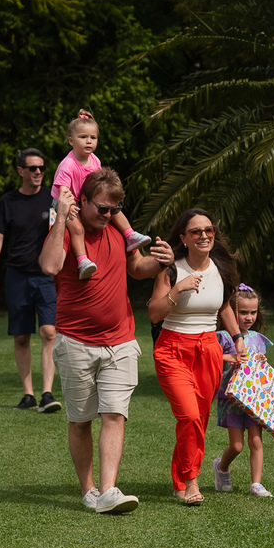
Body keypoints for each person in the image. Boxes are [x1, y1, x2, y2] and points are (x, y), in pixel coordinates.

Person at [38, 167, 173, 514]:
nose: (108, 215)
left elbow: (137, 268)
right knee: (80, 420)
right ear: (82, 201)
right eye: (101, 208)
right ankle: (89, 490)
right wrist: (60, 219)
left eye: (114, 209)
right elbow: (50, 266)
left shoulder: (116, 229)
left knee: (115, 414)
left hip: (121, 340)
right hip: (76, 341)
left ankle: (109, 490)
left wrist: (161, 264)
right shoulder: (68, 230)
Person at [146, 208, 243, 506]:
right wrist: (178, 289)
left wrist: (237, 338)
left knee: (197, 420)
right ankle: (191, 482)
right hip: (173, 348)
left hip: (209, 349)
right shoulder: (171, 270)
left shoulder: (221, 269)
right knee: (188, 415)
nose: (204, 235)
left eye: (208, 230)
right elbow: (154, 313)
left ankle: (180, 480)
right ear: (184, 238)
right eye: (196, 231)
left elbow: (224, 306)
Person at [0, 149, 61, 412]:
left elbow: (61, 231)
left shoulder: (52, 199)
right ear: (21, 171)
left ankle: (47, 393)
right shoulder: (9, 201)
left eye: (41, 168)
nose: (38, 172)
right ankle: (28, 395)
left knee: (49, 332)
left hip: (46, 277)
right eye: (32, 168)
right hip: (17, 275)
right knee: (20, 337)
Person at [50, 109, 150, 280]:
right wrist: (69, 207)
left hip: (86, 198)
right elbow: (63, 192)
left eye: (93, 137)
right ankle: (82, 261)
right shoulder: (68, 165)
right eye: (83, 137)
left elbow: (99, 182)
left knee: (115, 209)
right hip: (65, 202)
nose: (89, 141)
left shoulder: (94, 160)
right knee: (77, 229)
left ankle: (130, 235)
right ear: (71, 141)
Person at [213, 283, 274, 498]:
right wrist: (229, 358)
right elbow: (211, 357)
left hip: (253, 398)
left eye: (253, 312)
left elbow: (259, 368)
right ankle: (221, 467)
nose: (249, 317)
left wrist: (262, 360)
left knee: (256, 441)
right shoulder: (223, 337)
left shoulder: (257, 338)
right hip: (232, 399)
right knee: (237, 446)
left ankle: (256, 484)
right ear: (232, 312)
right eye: (244, 312)